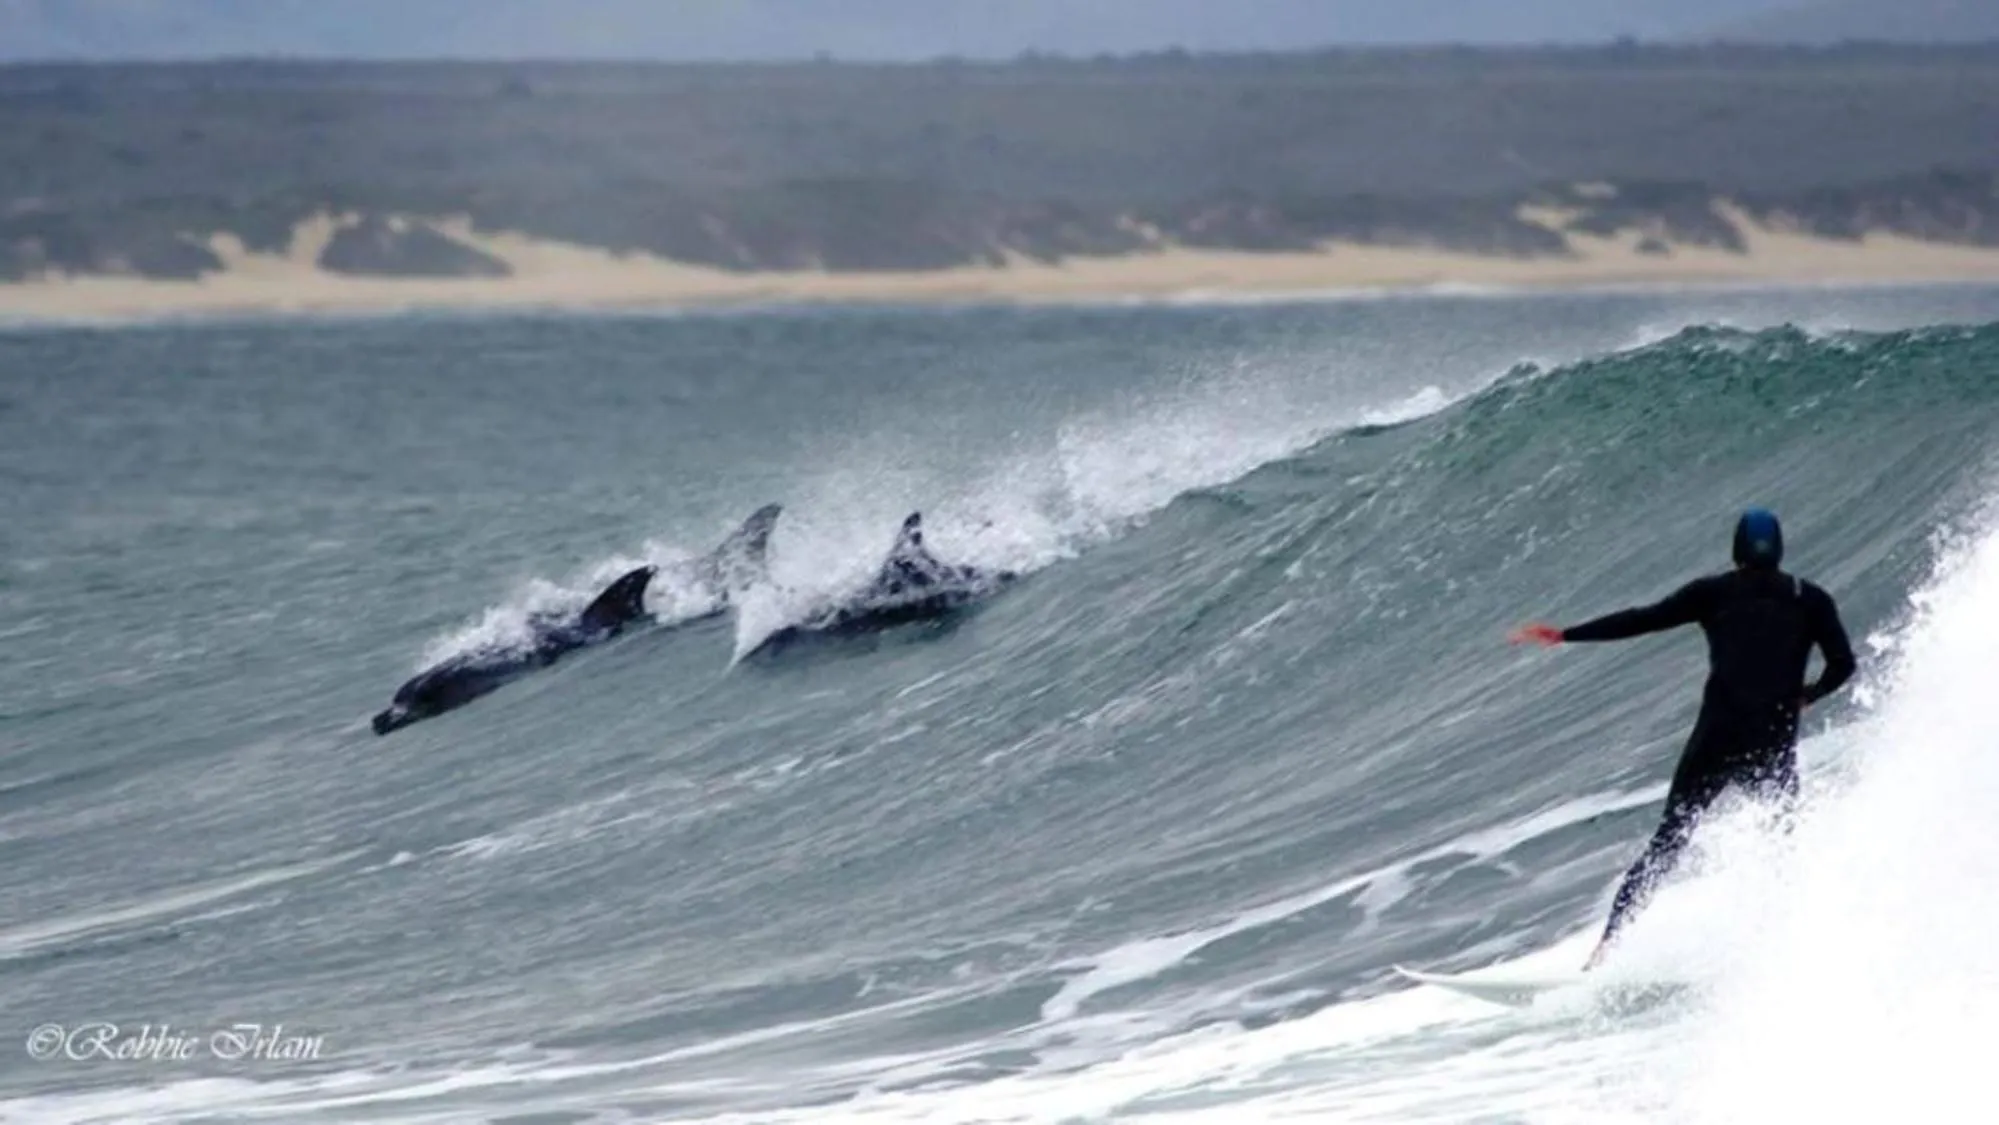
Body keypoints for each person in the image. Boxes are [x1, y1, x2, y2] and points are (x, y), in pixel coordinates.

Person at [1509, 508, 1857, 969]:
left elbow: (1644, 619)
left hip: (1718, 737)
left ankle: (1605, 951)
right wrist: (1808, 696)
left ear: (1737, 549)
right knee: (1782, 837)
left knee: (1669, 843)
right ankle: (1786, 945)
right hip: (1771, 738)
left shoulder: (1713, 593)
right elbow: (1844, 665)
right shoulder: (1810, 599)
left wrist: (1566, 635)